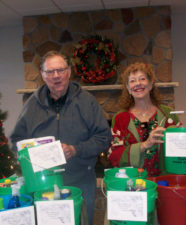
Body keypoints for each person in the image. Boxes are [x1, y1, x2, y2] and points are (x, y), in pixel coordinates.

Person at [10, 50, 112, 225]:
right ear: (42, 75)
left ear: (69, 72)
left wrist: (75, 149)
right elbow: (16, 140)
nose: (56, 76)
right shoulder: (32, 105)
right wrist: (26, 158)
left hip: (80, 182)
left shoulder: (87, 102)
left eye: (61, 70)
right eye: (50, 72)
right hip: (43, 185)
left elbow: (104, 138)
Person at [108, 62, 186, 177]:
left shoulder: (169, 115)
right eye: (132, 81)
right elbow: (114, 155)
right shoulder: (120, 118)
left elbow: (184, 152)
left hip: (166, 180)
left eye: (142, 79)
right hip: (135, 182)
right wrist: (145, 145)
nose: (138, 83)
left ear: (150, 84)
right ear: (128, 89)